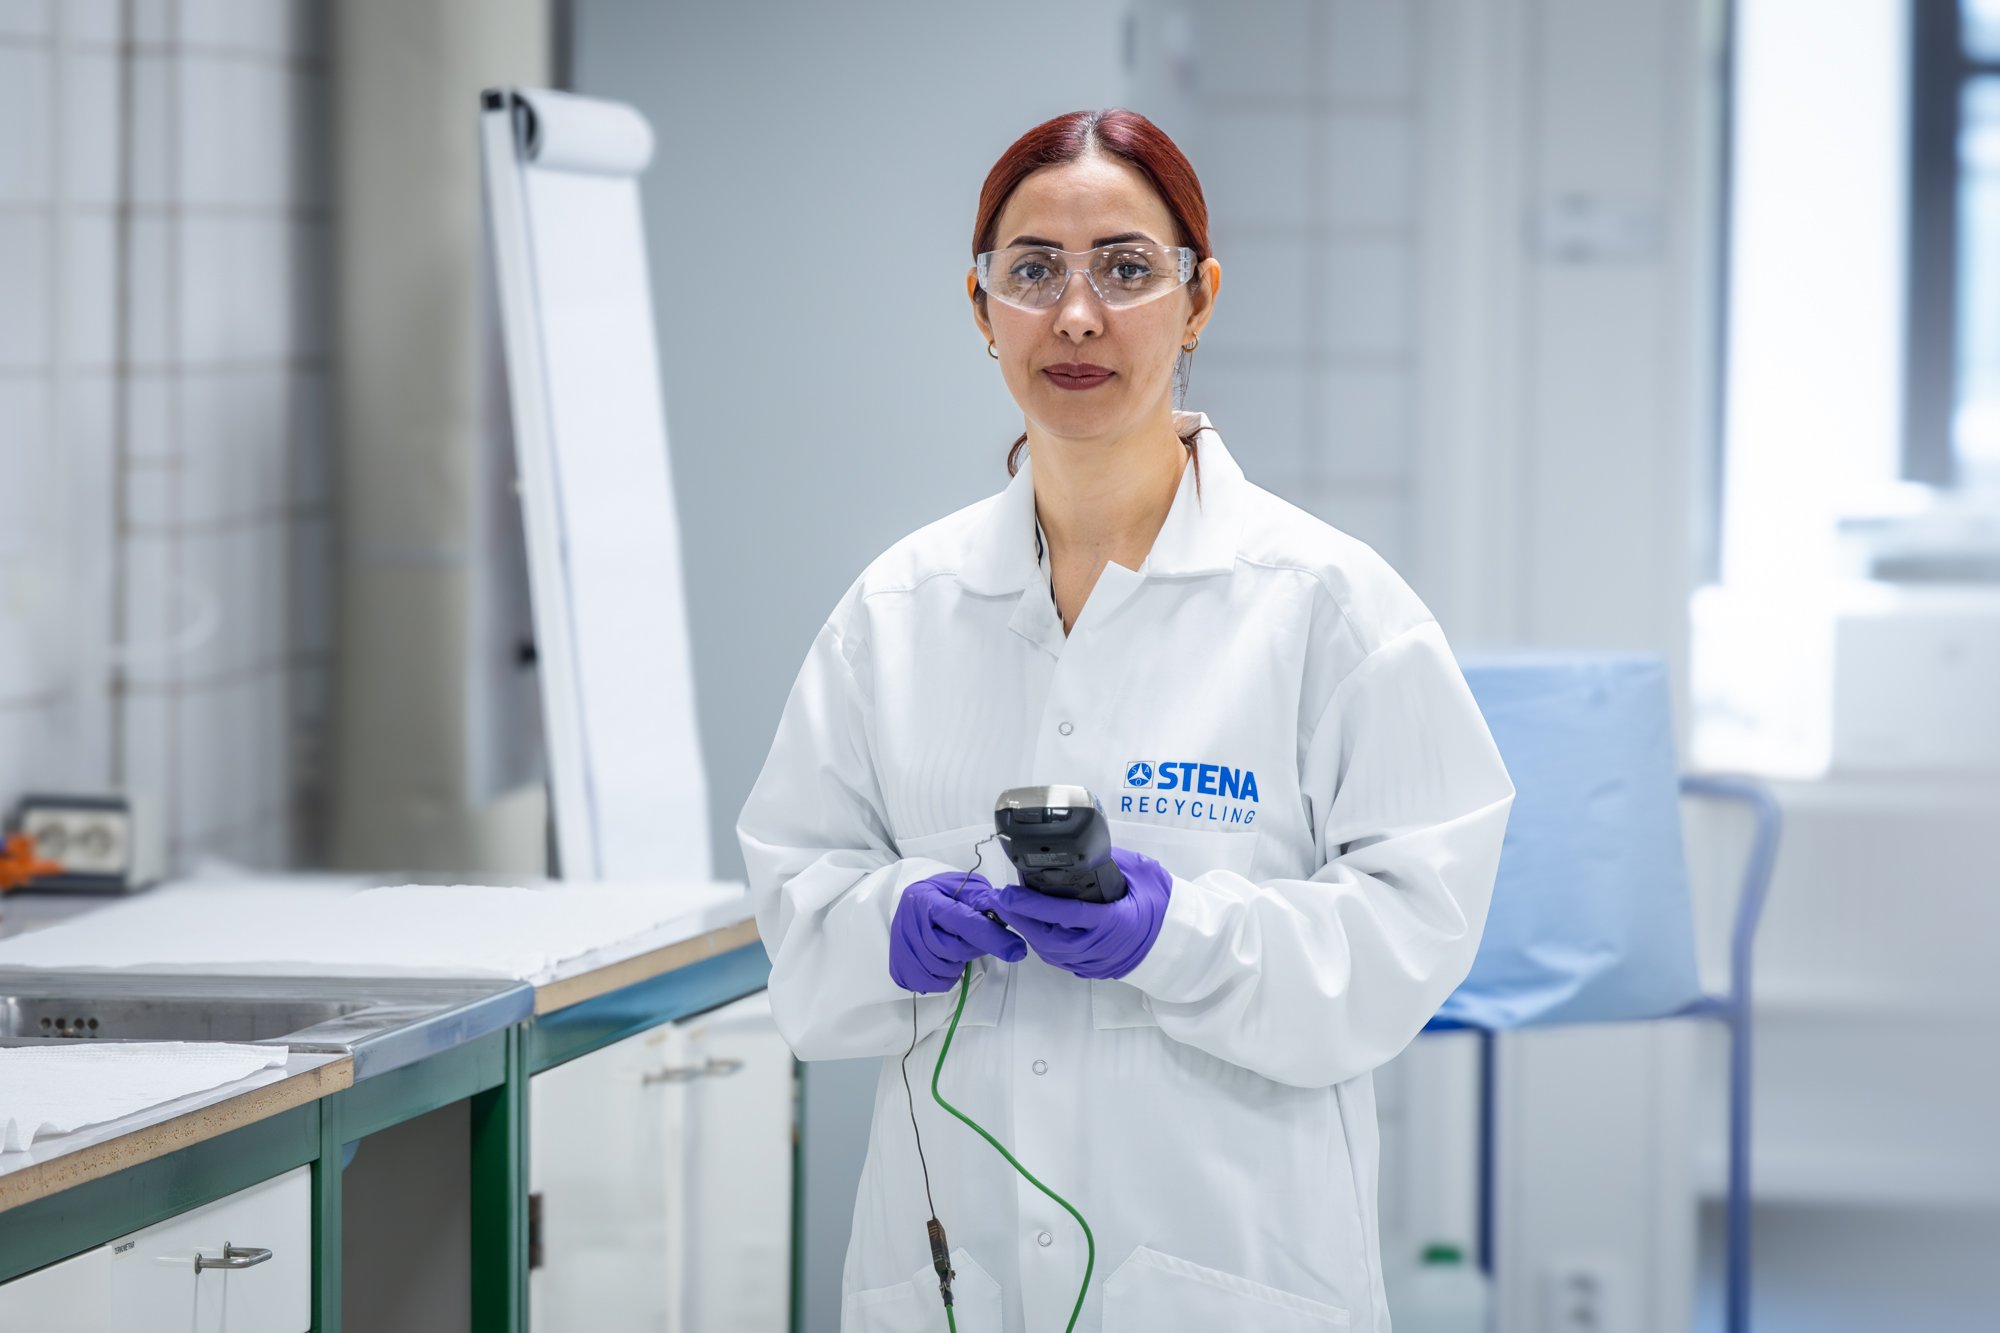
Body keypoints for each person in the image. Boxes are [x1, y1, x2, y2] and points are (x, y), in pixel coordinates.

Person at [738, 108, 1514, 1333]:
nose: (1078, 314)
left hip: (1231, 1271)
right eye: (1032, 270)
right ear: (981, 305)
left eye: (1126, 268)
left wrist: (1178, 936)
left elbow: (1411, 933)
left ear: (1198, 299)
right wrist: (884, 923)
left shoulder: (1325, 605)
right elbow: (795, 899)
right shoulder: (895, 612)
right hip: (956, 1276)